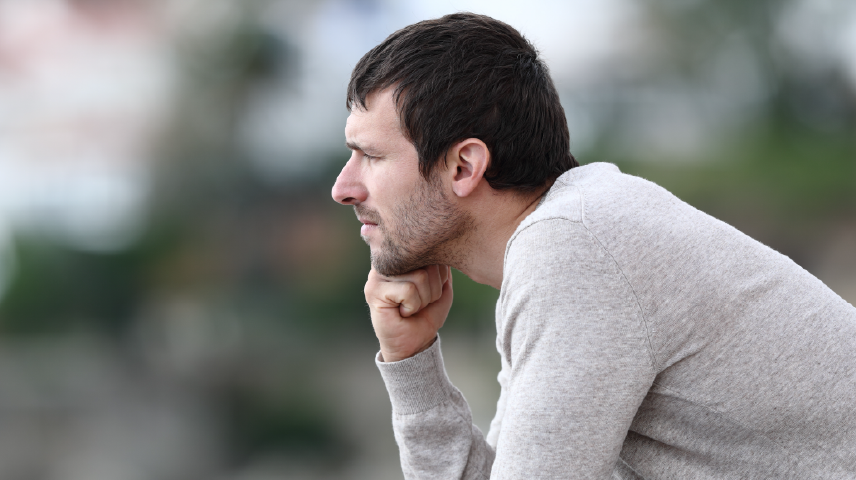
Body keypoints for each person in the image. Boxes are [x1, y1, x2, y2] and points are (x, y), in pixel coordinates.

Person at [330, 12, 856, 479]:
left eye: (370, 157)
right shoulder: (570, 235)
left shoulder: (574, 248)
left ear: (464, 166)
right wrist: (411, 360)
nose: (343, 188)